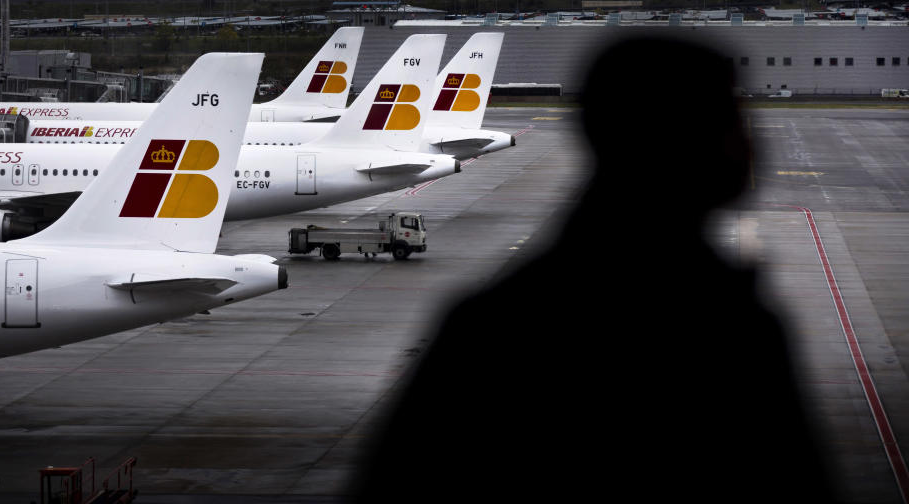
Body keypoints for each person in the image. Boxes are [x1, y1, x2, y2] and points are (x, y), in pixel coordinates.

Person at [351, 35, 837, 502]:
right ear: (685, 142)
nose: (749, 148)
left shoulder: (490, 322)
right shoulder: (732, 328)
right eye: (732, 123)